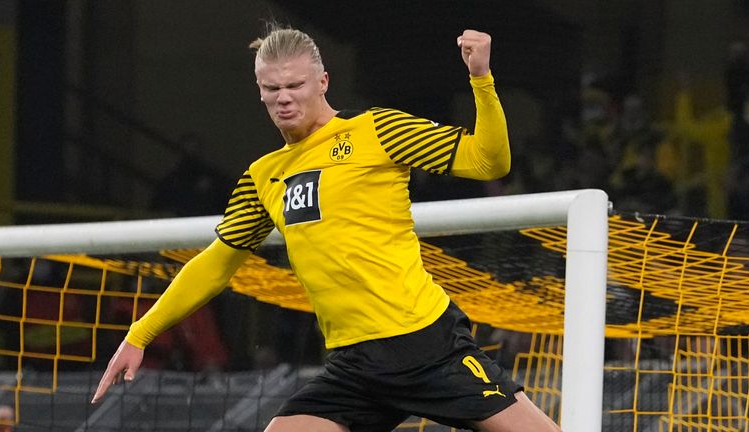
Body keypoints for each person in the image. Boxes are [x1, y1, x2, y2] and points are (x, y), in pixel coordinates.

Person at [92, 24, 562, 432]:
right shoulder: (264, 175)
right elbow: (217, 262)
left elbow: (489, 161)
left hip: (424, 345)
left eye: (295, 85)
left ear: (323, 81)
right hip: (352, 365)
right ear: (258, 89)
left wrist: (481, 79)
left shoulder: (378, 131)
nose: (284, 98)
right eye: (271, 88)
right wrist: (140, 334)